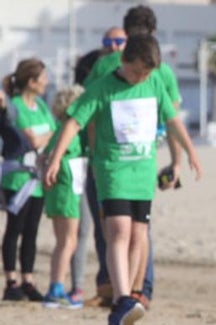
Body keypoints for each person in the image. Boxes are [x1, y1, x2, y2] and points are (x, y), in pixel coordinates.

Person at [43, 33, 202, 325]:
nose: (140, 78)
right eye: (136, 71)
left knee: (139, 235)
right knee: (119, 232)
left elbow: (172, 120)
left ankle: (126, 299)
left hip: (143, 172)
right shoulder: (102, 88)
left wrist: (189, 154)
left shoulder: (154, 83)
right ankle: (122, 301)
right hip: (112, 170)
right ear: (124, 61)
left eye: (145, 74)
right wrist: (54, 158)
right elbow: (73, 122)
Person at [88, 7, 183, 309]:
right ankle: (133, 291)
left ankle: (129, 291)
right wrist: (176, 160)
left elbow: (172, 117)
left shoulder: (158, 70)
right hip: (134, 159)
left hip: (125, 160)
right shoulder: (109, 68)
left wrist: (177, 161)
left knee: (120, 229)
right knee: (132, 230)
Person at [73, 27, 127, 306]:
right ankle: (107, 287)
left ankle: (129, 290)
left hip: (127, 164)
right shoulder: (97, 72)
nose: (114, 46)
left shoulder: (135, 78)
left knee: (128, 230)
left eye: (120, 41)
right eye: (109, 41)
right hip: (95, 162)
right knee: (99, 229)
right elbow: (87, 118)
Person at [1, 58, 54, 302]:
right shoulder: (16, 106)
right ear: (31, 81)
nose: (46, 82)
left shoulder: (41, 106)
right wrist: (46, 135)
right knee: (15, 229)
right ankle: (11, 280)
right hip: (18, 178)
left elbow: (53, 132)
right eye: (43, 78)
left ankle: (28, 279)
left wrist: (45, 136)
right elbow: (32, 140)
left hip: (38, 178)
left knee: (31, 231)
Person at [40, 85, 87, 309]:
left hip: (58, 188)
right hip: (67, 185)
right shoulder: (70, 130)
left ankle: (56, 286)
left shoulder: (58, 128)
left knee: (64, 241)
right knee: (68, 240)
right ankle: (56, 287)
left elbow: (44, 156)